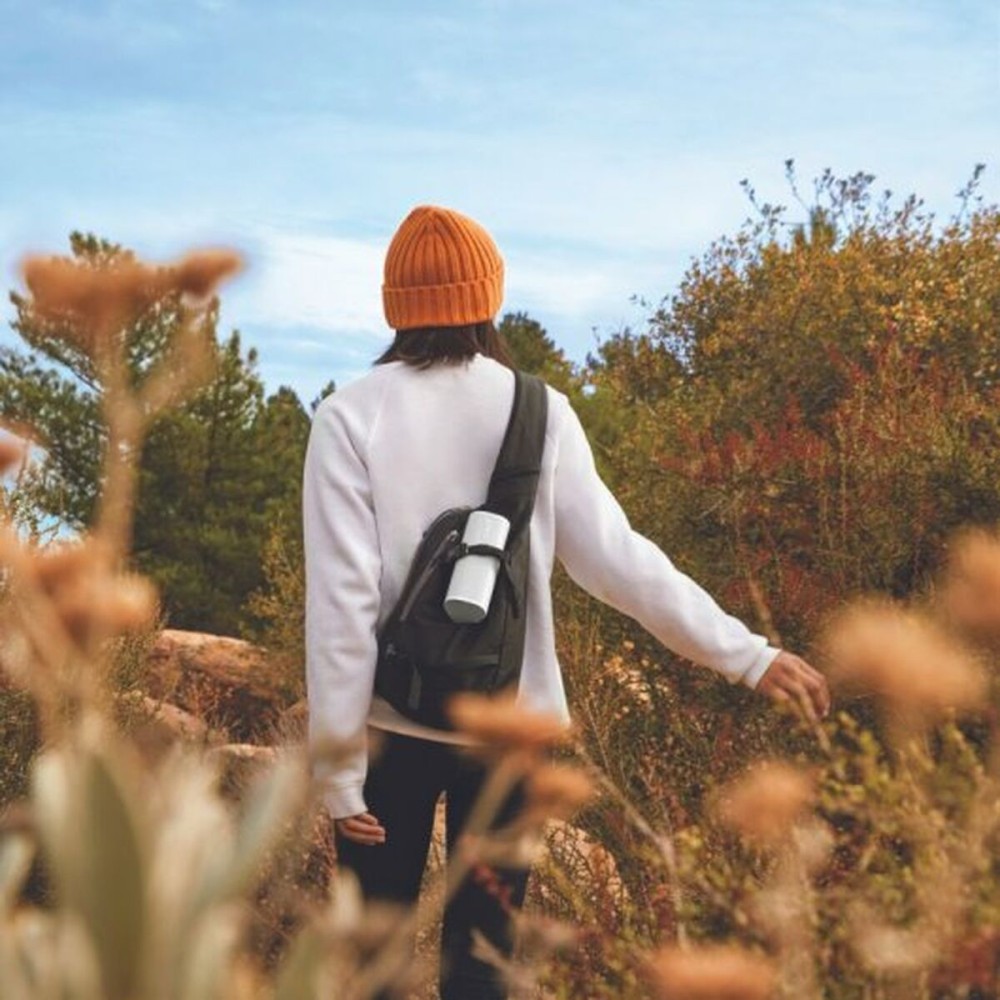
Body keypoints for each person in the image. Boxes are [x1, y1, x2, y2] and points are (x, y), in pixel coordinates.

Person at [303, 204, 830, 999]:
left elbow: (342, 605)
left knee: (371, 970)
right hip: (513, 732)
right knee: (481, 967)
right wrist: (746, 654)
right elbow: (618, 562)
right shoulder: (540, 412)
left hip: (387, 729)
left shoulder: (349, 418)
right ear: (489, 297)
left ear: (395, 305)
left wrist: (340, 772)